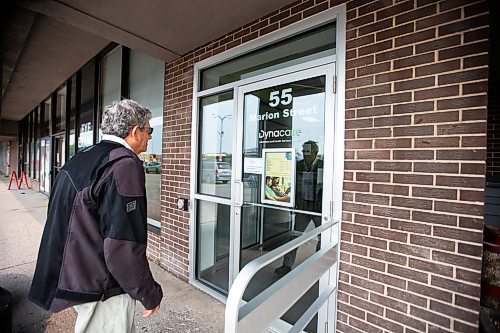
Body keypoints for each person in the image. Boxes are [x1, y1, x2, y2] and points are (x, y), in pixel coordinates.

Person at [29, 99, 163, 332]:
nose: (150, 136)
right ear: (134, 131)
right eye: (148, 130)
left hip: (77, 276)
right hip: (103, 288)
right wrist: (149, 293)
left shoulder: (83, 157)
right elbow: (123, 245)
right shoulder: (124, 165)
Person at [275, 140, 323, 275]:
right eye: (303, 151)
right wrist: (292, 204)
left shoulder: (323, 165)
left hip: (318, 208)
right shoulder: (298, 165)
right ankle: (286, 265)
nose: (305, 154)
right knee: (295, 237)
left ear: (315, 152)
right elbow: (293, 186)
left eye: (308, 151)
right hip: (302, 207)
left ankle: (319, 266)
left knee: (322, 237)